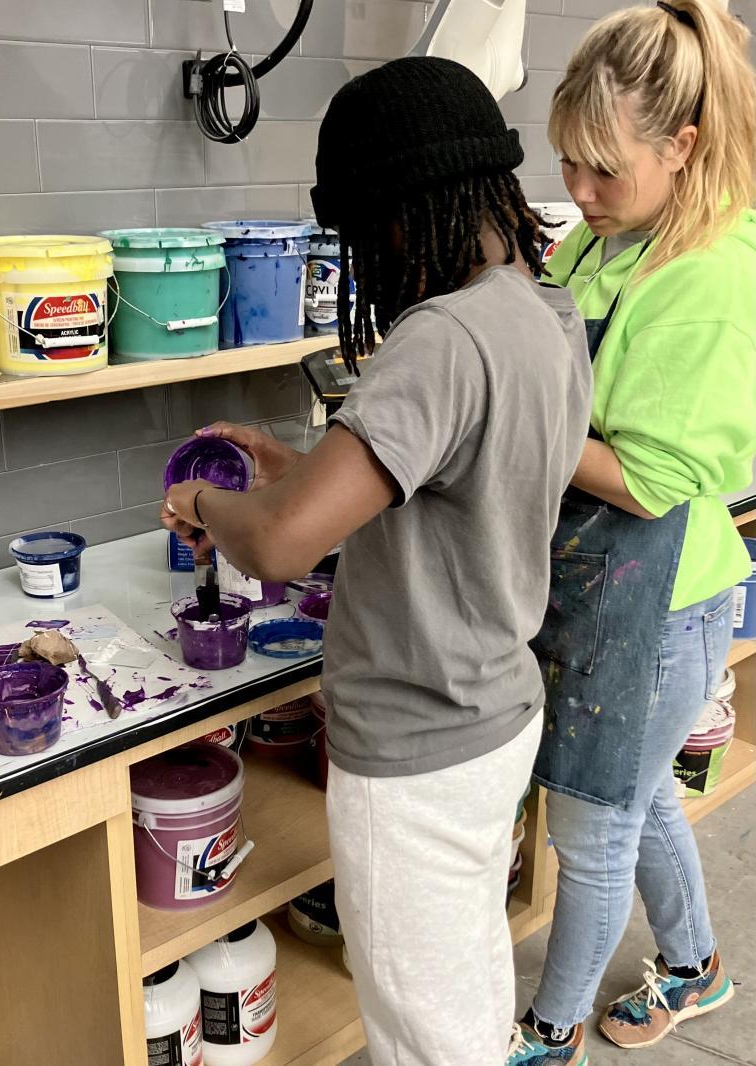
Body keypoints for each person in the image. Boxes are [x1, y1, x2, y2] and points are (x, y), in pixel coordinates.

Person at [162, 57, 591, 1066]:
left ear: (394, 216)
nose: (364, 261)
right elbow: (445, 489)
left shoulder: (435, 338)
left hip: (412, 750)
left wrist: (204, 500)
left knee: (419, 1033)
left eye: (359, 237)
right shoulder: (542, 313)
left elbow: (276, 544)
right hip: (494, 716)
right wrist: (294, 465)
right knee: (467, 977)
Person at [508, 3, 756, 1064]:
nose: (578, 192)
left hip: (655, 599)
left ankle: (547, 1031)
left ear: (681, 148)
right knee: (636, 788)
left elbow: (646, 483)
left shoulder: (703, 277)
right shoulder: (605, 239)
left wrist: (501, 411)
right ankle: (696, 967)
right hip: (595, 577)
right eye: (567, 161)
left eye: (602, 169)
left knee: (590, 827)